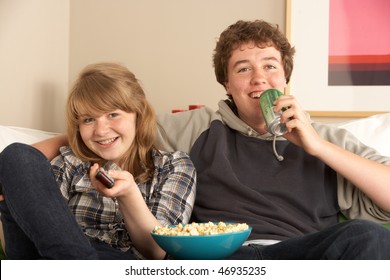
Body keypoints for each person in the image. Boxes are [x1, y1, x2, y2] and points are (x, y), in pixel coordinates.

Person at [32, 20, 390, 259]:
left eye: (270, 66)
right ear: (227, 84)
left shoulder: (327, 139)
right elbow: (114, 133)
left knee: (368, 237)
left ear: (285, 77)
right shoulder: (198, 127)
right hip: (217, 260)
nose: (258, 79)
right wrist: (32, 157)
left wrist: (316, 146)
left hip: (296, 256)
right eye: (243, 68)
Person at [0, 62, 196, 259]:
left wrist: (128, 194)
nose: (101, 131)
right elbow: (45, 224)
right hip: (54, 259)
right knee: (16, 155)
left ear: (139, 114)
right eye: (88, 120)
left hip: (119, 263)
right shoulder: (70, 162)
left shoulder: (173, 166)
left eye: (113, 114)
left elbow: (160, 252)